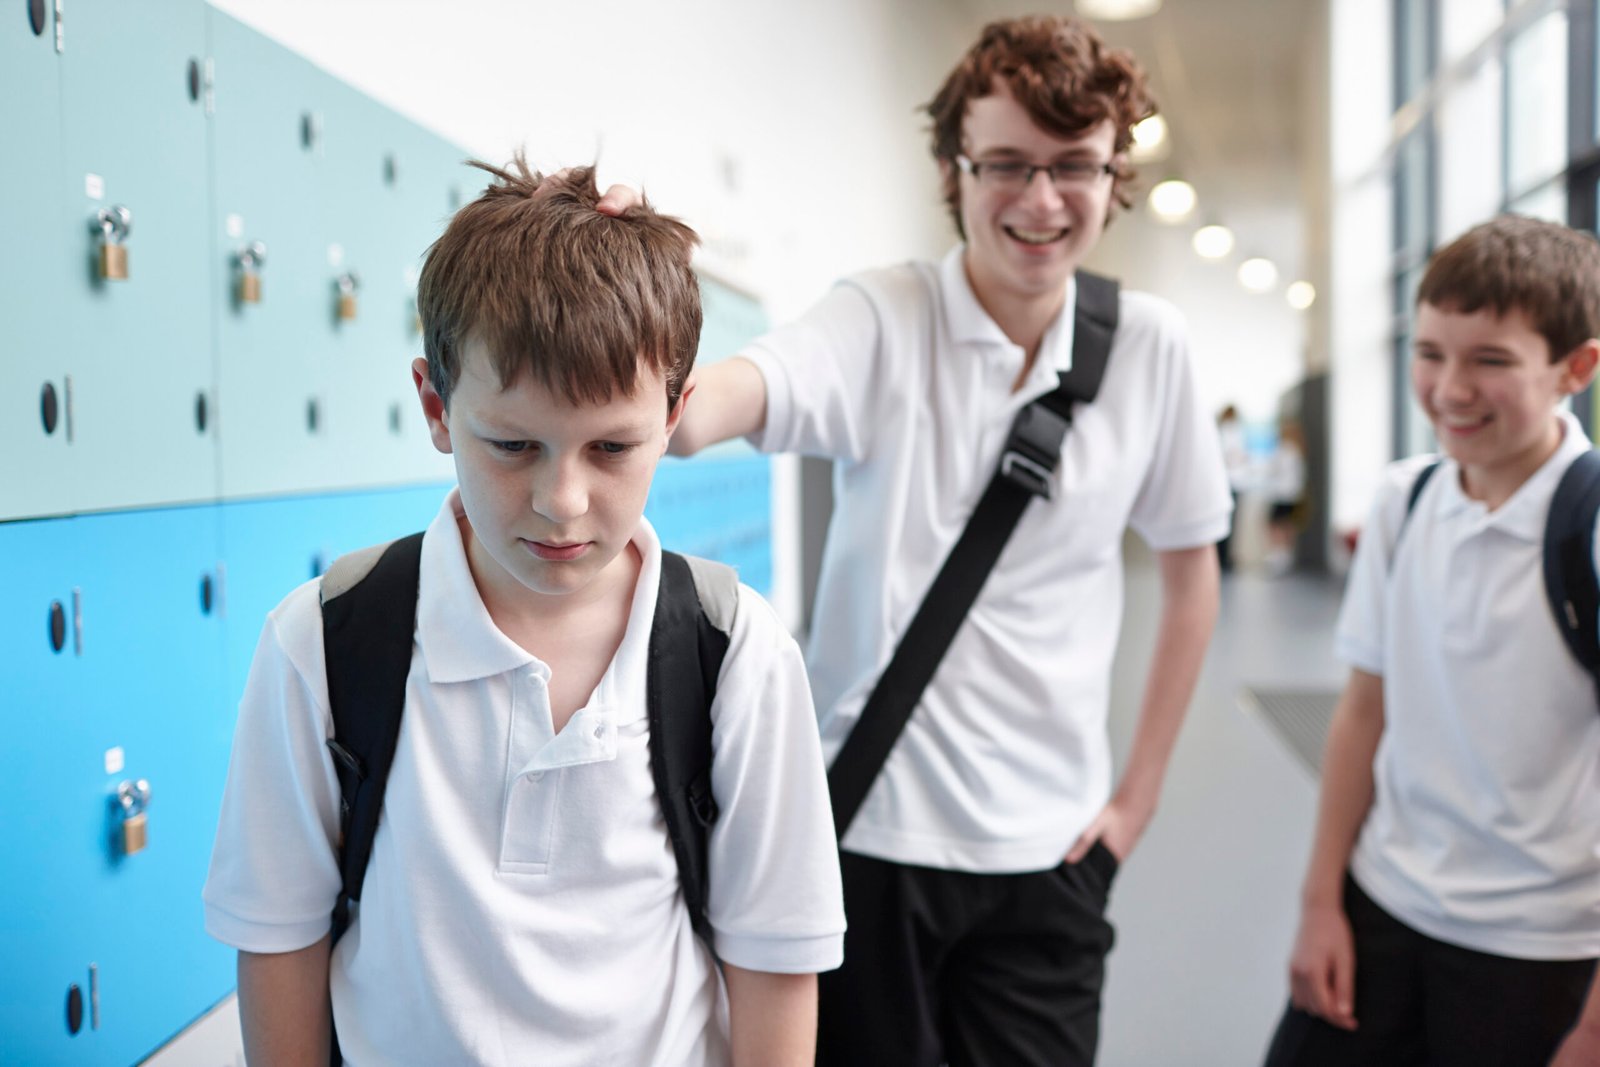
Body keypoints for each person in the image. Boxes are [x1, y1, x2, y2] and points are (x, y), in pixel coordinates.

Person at [607, 16, 1231, 1065]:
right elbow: (721, 402)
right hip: (863, 834)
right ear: (955, 167)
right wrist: (622, 305)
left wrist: (1135, 800)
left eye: (1073, 166)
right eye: (1007, 165)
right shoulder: (885, 318)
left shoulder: (1149, 351)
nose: (1040, 201)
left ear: (1113, 172)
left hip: (1054, 849)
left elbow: (1190, 571)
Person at [202, 161, 845, 1067]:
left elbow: (777, 959)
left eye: (613, 447)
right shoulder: (324, 642)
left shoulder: (736, 653)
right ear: (435, 405)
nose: (562, 500)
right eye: (512, 444)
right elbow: (277, 938)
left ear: (675, 415)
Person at [1264, 215, 1600, 1067]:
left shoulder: (1588, 530)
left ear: (1577, 367)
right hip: (1383, 905)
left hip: (1539, 951)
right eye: (1430, 352)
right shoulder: (1402, 502)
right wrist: (1319, 901)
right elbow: (1362, 711)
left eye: (1491, 360)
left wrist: (1594, 1028)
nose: (1451, 388)